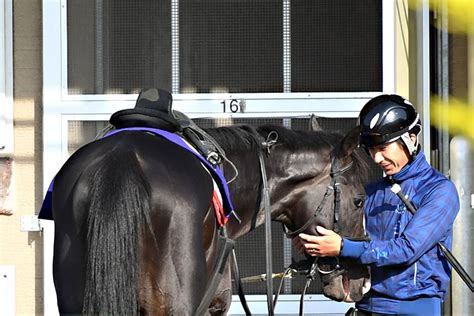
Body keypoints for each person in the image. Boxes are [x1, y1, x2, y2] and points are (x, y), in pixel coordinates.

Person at [294, 94, 460, 315]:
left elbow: (407, 250)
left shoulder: (439, 191)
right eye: (372, 149)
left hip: (414, 309)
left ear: (410, 139)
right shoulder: (370, 192)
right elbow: (355, 243)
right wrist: (318, 247)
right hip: (365, 307)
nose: (377, 158)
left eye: (383, 147)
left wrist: (342, 246)